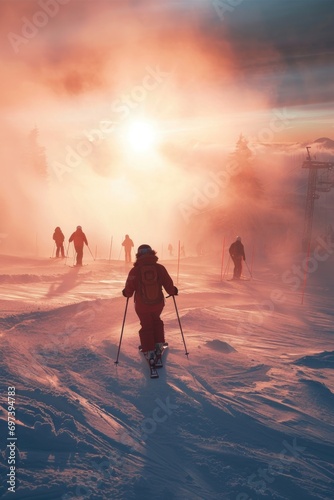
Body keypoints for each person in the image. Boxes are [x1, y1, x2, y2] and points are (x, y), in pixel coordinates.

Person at [122, 244, 178, 362]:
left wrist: (126, 293)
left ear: (138, 254)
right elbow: (168, 282)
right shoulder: (159, 268)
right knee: (156, 320)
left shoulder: (135, 270)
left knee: (146, 323)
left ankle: (149, 350)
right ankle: (158, 345)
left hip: (142, 304)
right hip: (158, 303)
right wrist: (173, 291)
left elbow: (129, 289)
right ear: (152, 252)